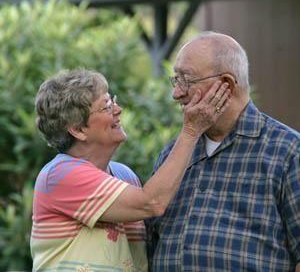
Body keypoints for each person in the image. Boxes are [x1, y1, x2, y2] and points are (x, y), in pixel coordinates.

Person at [30, 69, 230, 271]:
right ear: (78, 130)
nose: (118, 109)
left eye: (112, 100)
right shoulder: (60, 175)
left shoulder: (124, 175)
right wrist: (191, 130)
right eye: (106, 106)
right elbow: (152, 202)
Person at [146, 31, 300, 271]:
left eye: (186, 79)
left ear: (226, 84)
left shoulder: (288, 151)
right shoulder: (171, 156)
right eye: (175, 80)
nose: (176, 93)